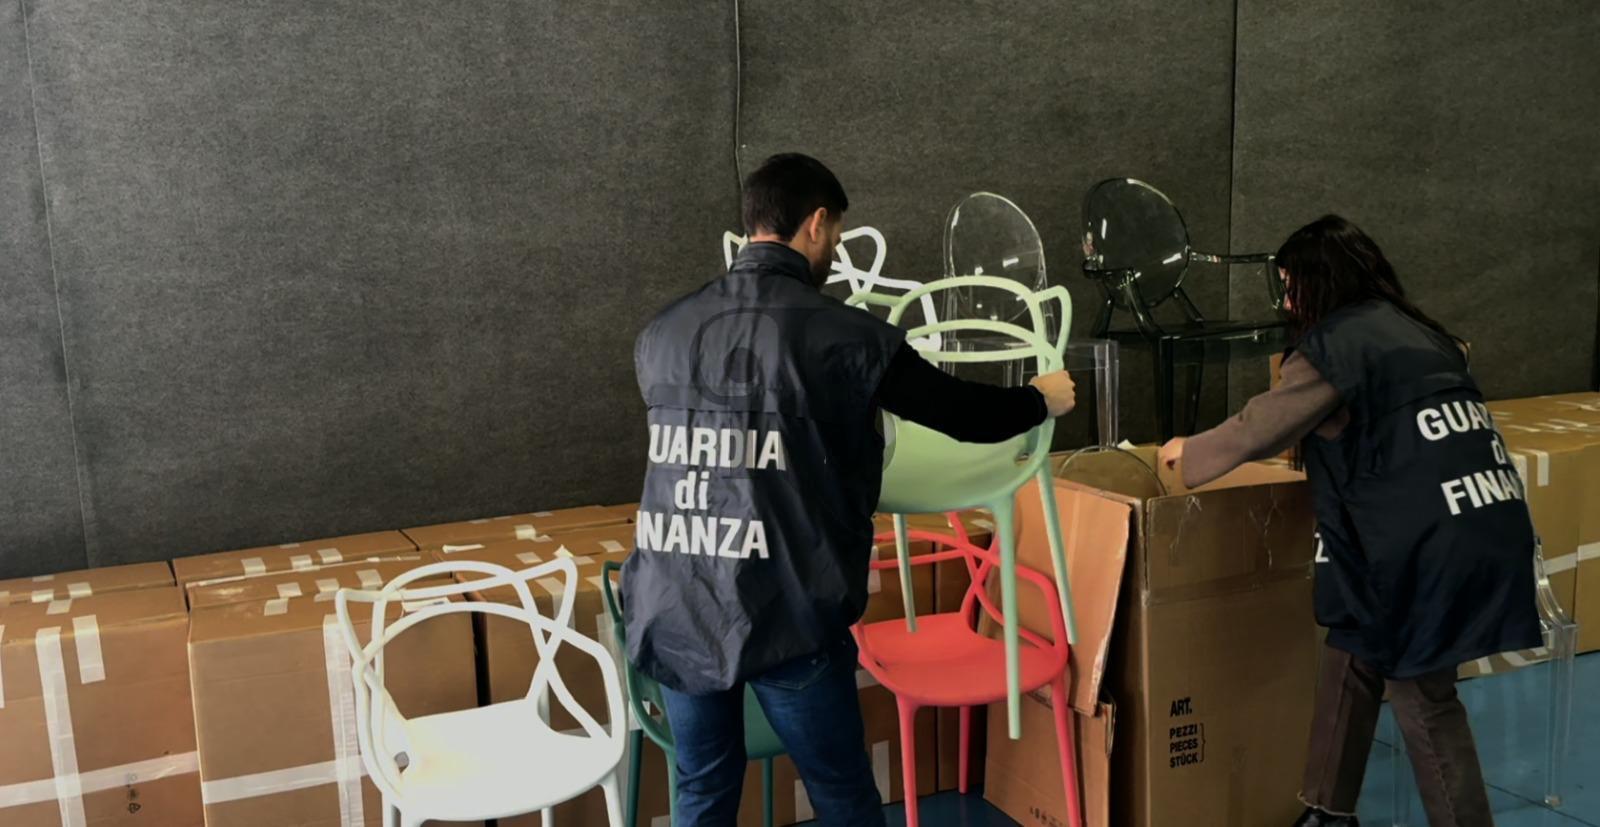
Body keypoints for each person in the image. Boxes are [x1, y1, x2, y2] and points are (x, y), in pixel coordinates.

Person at [621, 153, 1076, 825]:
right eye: (834, 232)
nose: (833, 248)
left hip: (676, 600)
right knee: (842, 797)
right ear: (816, 223)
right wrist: (1039, 399)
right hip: (787, 607)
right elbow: (962, 414)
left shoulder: (661, 332)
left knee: (703, 793)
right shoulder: (846, 336)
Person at [1158, 215, 1542, 827]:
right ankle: (1327, 811)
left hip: (1423, 545)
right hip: (1480, 518)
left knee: (1423, 695)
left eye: (1291, 286)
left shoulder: (1336, 346)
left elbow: (1259, 427)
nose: (1287, 303)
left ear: (1320, 282)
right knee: (1354, 650)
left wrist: (1187, 455)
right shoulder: (1419, 332)